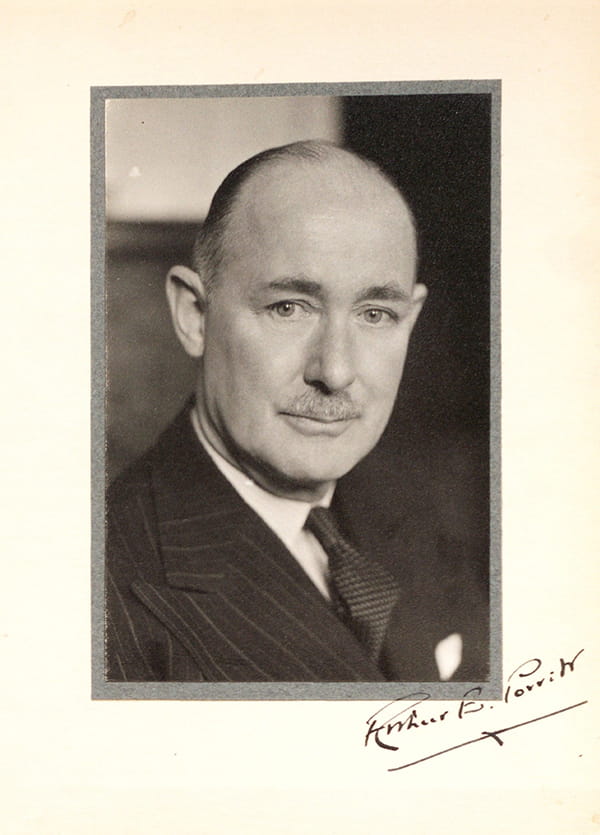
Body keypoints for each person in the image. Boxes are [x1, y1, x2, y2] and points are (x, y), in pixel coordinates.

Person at [105, 139, 489, 683]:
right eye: (289, 307)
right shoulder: (99, 592)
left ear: (412, 318)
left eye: (376, 313)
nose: (334, 372)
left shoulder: (415, 523)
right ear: (194, 314)